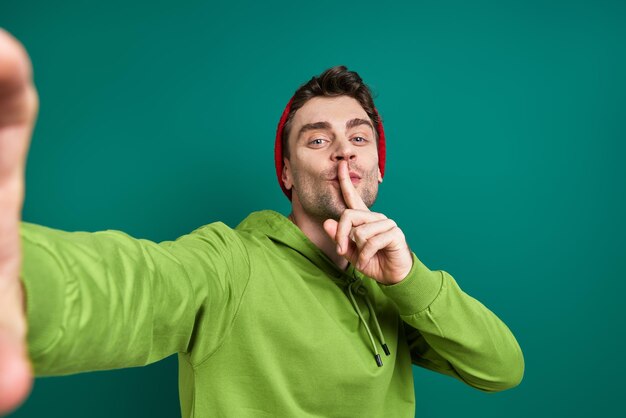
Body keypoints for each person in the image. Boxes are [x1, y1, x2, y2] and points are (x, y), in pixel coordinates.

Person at [0, 28, 524, 417]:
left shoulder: (394, 286)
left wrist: (409, 280)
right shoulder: (232, 263)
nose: (343, 152)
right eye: (317, 139)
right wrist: (21, 285)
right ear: (287, 173)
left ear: (378, 170)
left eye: (359, 138)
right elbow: (140, 283)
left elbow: (502, 368)